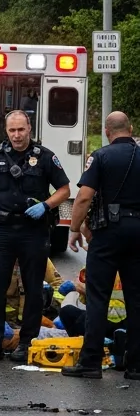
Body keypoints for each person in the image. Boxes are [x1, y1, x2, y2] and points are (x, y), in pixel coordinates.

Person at [0, 110, 70, 362]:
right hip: (2, 230)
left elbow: (64, 189)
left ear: (29, 129)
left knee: (34, 288)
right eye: (12, 130)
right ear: (7, 131)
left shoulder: (45, 157)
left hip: (33, 230)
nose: (16, 135)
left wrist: (46, 206)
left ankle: (26, 343)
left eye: (21, 130)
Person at [63, 111, 140, 378]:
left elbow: (84, 198)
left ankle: (90, 363)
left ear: (107, 132)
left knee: (97, 297)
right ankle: (136, 365)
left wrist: (74, 229)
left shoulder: (101, 157)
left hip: (108, 233)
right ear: (130, 128)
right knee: (137, 298)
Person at [0, 256, 69, 351]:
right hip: (6, 322)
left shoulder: (39, 257)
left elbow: (57, 285)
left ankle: (28, 343)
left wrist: (52, 311)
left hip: (35, 321)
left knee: (64, 336)